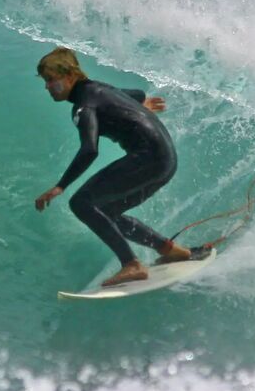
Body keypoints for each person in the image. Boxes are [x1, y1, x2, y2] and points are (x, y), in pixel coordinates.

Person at [34, 47, 192, 287]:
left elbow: (90, 149)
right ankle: (168, 249)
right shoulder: (99, 89)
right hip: (166, 160)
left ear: (69, 76)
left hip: (148, 158)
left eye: (51, 80)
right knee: (105, 212)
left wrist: (60, 186)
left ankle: (132, 264)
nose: (47, 87)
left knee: (81, 203)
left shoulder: (83, 106)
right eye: (45, 81)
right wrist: (142, 103)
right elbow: (136, 93)